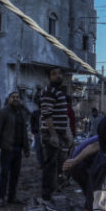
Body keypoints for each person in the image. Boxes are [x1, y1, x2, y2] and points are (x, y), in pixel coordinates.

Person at [0, 92, 31, 206]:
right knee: (4, 173)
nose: (15, 99)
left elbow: (24, 132)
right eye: (13, 97)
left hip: (18, 148)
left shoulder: (20, 113)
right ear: (8, 99)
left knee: (15, 174)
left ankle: (12, 197)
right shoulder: (3, 112)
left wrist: (26, 148)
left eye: (17, 97)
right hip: (7, 148)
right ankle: (0, 197)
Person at [39, 67, 73, 200]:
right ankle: (47, 195)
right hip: (50, 134)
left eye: (60, 73)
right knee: (50, 165)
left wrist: (66, 133)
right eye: (54, 74)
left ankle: (54, 192)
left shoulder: (59, 92)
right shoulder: (49, 91)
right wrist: (53, 134)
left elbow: (63, 116)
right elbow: (46, 114)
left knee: (59, 164)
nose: (58, 76)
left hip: (59, 134)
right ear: (49, 77)